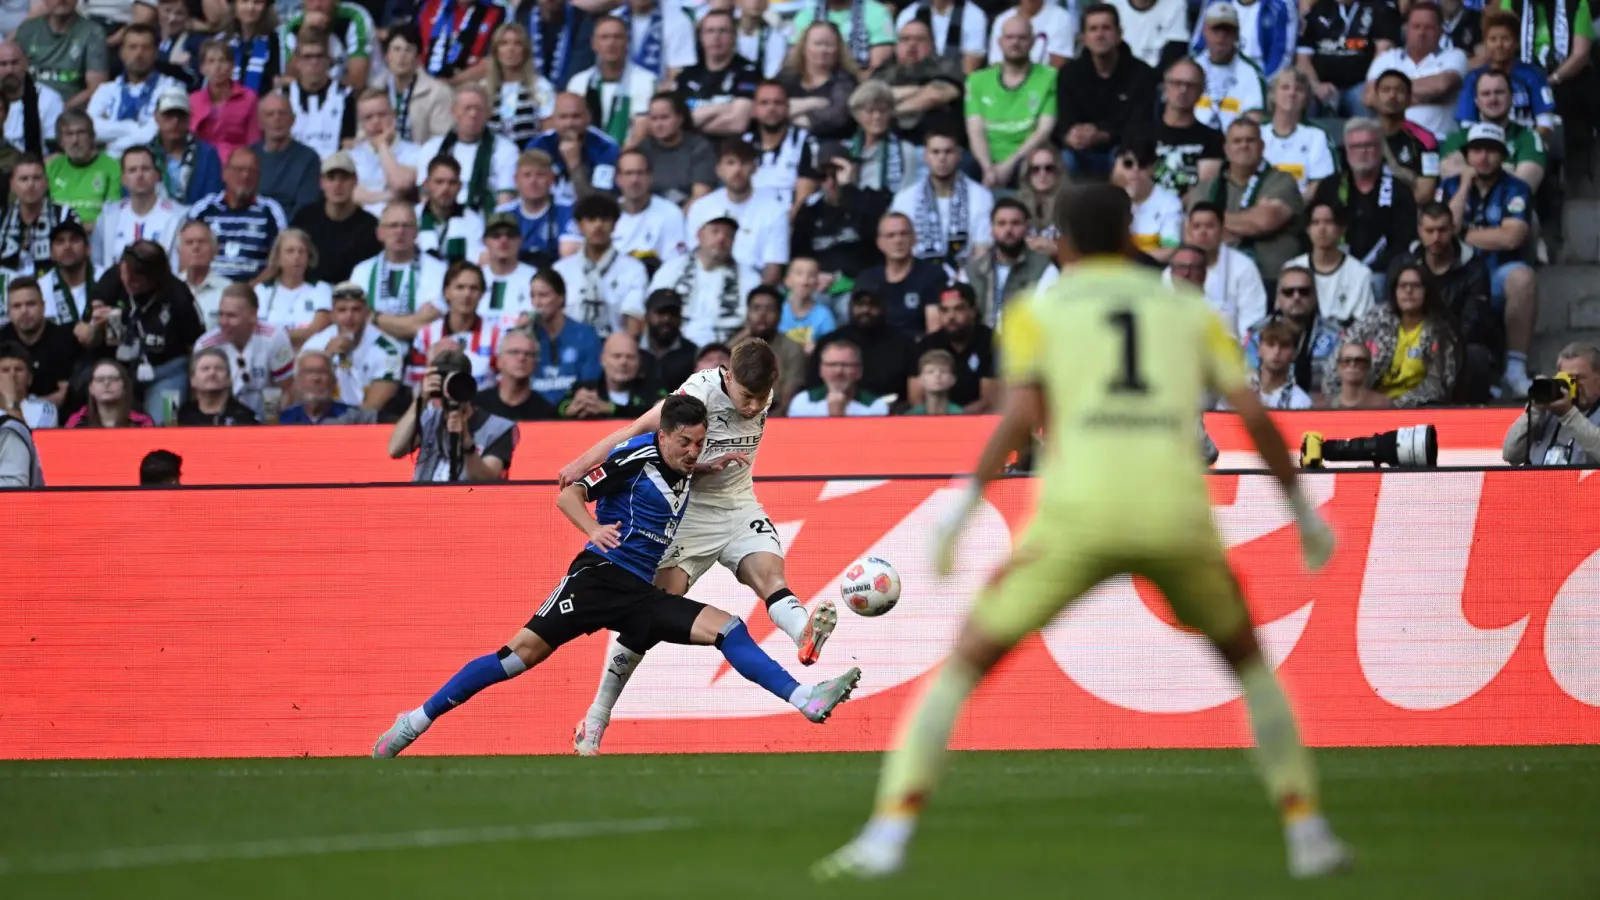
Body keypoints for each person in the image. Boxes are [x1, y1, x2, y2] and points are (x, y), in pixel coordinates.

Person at [812, 182, 1345, 884]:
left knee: (962, 669)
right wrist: (1303, 512)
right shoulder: (1187, 310)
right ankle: (1306, 828)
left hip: (1077, 518)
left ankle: (889, 833)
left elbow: (1016, 417)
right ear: (1133, 237)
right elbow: (1251, 416)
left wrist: (962, 506)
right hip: (1173, 515)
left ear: (1057, 242)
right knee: (1250, 666)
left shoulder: (1043, 310)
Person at [377, 391, 859, 757]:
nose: (693, 451)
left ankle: (805, 699)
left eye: (699, 443)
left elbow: (685, 471)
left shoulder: (686, 464)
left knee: (728, 627)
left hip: (639, 594)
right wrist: (593, 528)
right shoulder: (634, 456)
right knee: (516, 657)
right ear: (663, 435)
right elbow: (569, 493)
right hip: (596, 578)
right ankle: (416, 721)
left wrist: (710, 465)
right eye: (685, 443)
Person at [555, 340, 844, 753]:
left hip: (739, 505)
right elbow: (635, 430)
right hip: (688, 515)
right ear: (728, 377)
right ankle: (598, 715)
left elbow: (752, 401)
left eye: (761, 398)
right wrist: (581, 464)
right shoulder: (697, 393)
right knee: (648, 617)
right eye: (746, 396)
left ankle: (804, 632)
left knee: (769, 574)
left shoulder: (763, 391)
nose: (753, 406)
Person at [1439, 122, 1536, 397]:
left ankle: (1515, 369)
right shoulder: (1450, 186)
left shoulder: (1516, 187)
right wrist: (1466, 183)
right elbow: (1443, 230)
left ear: (1503, 155)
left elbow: (1512, 237)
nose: (1483, 156)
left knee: (1522, 277)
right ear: (1467, 155)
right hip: (1456, 272)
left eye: (1491, 150)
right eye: (1477, 150)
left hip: (1497, 273)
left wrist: (1465, 233)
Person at [85, 240, 203, 421]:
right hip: (119, 373)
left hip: (166, 372)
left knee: (165, 426)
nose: (129, 281)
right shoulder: (112, 278)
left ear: (156, 276)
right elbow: (81, 332)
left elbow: (195, 345)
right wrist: (94, 325)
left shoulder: (178, 295)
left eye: (138, 278)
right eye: (125, 273)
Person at [1394, 201, 1501, 401]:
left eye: (1442, 230)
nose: (1436, 237)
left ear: (1453, 229)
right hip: (1409, 339)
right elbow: (1392, 313)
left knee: (1475, 355)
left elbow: (1473, 323)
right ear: (1420, 231)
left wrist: (1434, 343)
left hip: (1456, 342)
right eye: (1430, 230)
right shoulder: (1403, 264)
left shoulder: (1474, 269)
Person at [1189, 116, 1305, 283]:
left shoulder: (1282, 180)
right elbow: (1192, 233)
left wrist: (1214, 224)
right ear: (1226, 149)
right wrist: (1248, 219)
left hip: (1273, 281)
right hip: (1217, 280)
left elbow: (1263, 222)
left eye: (1250, 140)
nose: (1243, 146)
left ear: (1262, 146)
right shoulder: (1207, 188)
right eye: (1237, 141)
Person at [1330, 261, 1461, 406]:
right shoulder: (1375, 319)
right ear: (1394, 291)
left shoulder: (1439, 331)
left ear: (1426, 292)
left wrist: (1395, 405)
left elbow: (1438, 386)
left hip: (1417, 409)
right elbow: (1340, 357)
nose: (1409, 291)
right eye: (1403, 286)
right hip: (1367, 404)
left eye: (1416, 286)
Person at [386, 346, 517, 484]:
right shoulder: (428, 418)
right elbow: (395, 450)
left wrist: (466, 441)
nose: (447, 386)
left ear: (467, 382)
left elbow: (487, 480)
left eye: (454, 380)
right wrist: (421, 399)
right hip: (423, 502)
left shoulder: (497, 429)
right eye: (441, 379)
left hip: (468, 502)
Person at [1054, 4, 1157, 178]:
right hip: (1079, 152)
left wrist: (1103, 135)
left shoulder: (1142, 74)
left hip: (1120, 149)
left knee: (1129, 158)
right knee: (1062, 159)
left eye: (1106, 28)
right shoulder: (1069, 73)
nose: (1100, 35)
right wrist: (1071, 136)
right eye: (1093, 29)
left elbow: (1140, 126)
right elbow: (1063, 121)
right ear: (1083, 38)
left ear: (1119, 35)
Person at [1311, 118, 1418, 278]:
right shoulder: (1330, 187)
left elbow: (1402, 242)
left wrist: (1365, 271)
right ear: (1346, 150)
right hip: (1335, 268)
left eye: (1369, 145)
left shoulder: (1398, 190)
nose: (1363, 151)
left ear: (1380, 149)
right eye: (1356, 146)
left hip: (1381, 272)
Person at [965, 15, 1057, 186]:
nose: (1015, 43)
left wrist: (1008, 165)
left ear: (1032, 42)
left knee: (1037, 165)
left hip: (1027, 155)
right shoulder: (977, 80)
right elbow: (975, 131)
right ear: (1000, 42)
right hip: (985, 158)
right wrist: (988, 168)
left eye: (1022, 38)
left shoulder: (1050, 77)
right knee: (963, 165)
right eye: (1009, 37)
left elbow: (1043, 131)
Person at [686, 140, 789, 284]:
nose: (737, 170)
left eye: (744, 163)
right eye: (730, 163)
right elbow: (692, 257)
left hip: (754, 284)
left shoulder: (775, 210)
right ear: (718, 169)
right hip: (706, 281)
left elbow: (773, 270)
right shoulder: (701, 207)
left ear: (755, 167)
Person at [649, 215, 761, 346]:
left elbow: (752, 327)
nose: (721, 238)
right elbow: (651, 314)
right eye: (715, 231)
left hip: (726, 354)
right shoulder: (671, 270)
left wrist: (724, 353)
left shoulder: (750, 279)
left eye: (729, 235)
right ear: (699, 235)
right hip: (672, 349)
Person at [1363, 2, 1468, 140]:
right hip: (1392, 141)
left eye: (1428, 28)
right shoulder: (1388, 58)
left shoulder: (1455, 55)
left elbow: (1442, 85)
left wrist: (1391, 98)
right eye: (1416, 26)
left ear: (1441, 32)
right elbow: (1369, 97)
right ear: (1406, 29)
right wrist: (1431, 97)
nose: (1421, 33)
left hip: (1439, 140)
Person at [890, 129, 993, 268]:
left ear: (959, 155)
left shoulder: (981, 196)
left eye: (948, 152)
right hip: (918, 277)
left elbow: (982, 249)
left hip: (966, 276)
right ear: (926, 156)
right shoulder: (905, 199)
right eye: (935, 152)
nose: (941, 158)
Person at [1122, 58, 1225, 195]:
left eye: (1190, 85)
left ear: (1202, 91)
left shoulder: (1213, 139)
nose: (1183, 90)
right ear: (1165, 86)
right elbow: (1120, 178)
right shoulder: (1139, 132)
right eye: (1177, 83)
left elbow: (1204, 191)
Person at [552, 194, 650, 337]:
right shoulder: (560, 270)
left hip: (614, 349)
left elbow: (633, 323)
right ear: (580, 226)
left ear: (615, 225)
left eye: (605, 220)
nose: (598, 225)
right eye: (591, 220)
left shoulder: (633, 269)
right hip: (568, 350)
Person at [300, 281, 404, 411]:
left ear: (367, 313)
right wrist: (327, 357)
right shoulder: (314, 346)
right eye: (342, 310)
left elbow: (372, 407)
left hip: (367, 423)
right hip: (322, 420)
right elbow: (301, 398)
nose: (349, 316)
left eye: (356, 309)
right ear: (332, 315)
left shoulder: (388, 349)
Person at [187, 147, 288, 283]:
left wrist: (249, 290)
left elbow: (279, 261)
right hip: (208, 290)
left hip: (254, 293)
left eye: (251, 171)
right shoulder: (204, 209)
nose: (245, 176)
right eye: (239, 170)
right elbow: (185, 254)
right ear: (224, 173)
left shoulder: (270, 211)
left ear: (259, 177)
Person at [195, 281, 296, 415]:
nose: (224, 322)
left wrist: (270, 425)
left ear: (253, 315)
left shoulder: (274, 337)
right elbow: (200, 394)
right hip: (220, 419)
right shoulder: (206, 345)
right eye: (221, 314)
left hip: (265, 418)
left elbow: (286, 389)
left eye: (231, 316)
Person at [1169, 200, 1266, 337]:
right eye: (1196, 227)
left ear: (1222, 230)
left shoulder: (1244, 267)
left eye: (1210, 226)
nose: (1203, 232)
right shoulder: (1173, 271)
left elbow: (1253, 322)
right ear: (1189, 231)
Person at [416, 85, 520, 214]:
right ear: (454, 112)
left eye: (478, 108)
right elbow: (425, 196)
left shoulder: (505, 149)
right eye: (467, 108)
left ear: (488, 113)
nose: (473, 114)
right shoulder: (432, 149)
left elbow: (506, 199)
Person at [348, 202, 450, 332]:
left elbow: (429, 325)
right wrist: (413, 323)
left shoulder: (438, 270)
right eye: (393, 225)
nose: (400, 231)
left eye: (406, 225)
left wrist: (375, 318)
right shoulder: (362, 271)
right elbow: (356, 319)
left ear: (416, 232)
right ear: (380, 233)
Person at [1440, 68, 1547, 193]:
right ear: (1476, 101)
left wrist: (1469, 173)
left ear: (1512, 98)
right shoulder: (1457, 138)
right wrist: (1504, 171)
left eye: (1499, 92)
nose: (1493, 99)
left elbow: (1522, 189)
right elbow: (1451, 183)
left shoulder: (1529, 137)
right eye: (1486, 94)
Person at [793, 148, 888, 288]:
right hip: (819, 285)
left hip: (860, 285)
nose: (831, 182)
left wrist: (848, 188)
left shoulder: (871, 200)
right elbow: (799, 255)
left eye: (836, 173)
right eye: (824, 176)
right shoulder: (810, 210)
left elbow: (871, 236)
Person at [1244, 267, 1344, 395]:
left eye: (1304, 291)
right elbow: (1248, 380)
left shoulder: (1335, 335)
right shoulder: (1257, 334)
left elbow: (1341, 383)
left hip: (1320, 409)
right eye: (1288, 292)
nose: (1296, 297)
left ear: (1315, 296)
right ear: (1278, 297)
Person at [85, 23, 182, 155]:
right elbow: (89, 129)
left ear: (155, 53)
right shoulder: (106, 90)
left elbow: (152, 135)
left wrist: (112, 139)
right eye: (132, 47)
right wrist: (131, 127)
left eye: (145, 48)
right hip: (111, 167)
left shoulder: (170, 88)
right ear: (122, 53)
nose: (138, 53)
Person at [289, 151, 382, 285]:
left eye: (344, 178)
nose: (338, 185)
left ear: (355, 181)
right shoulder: (305, 218)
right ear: (322, 183)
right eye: (331, 178)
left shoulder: (370, 226)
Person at [409, 260, 504, 390]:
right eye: (460, 287)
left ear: (482, 294)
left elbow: (503, 386)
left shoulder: (496, 336)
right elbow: (415, 386)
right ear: (446, 292)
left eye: (473, 288)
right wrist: (431, 363)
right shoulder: (426, 334)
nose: (467, 294)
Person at [1458, 11, 1556, 137]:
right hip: (1485, 147)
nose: (1499, 45)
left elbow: (1546, 124)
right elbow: (1467, 125)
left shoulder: (1534, 75)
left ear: (1516, 43)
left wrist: (1523, 146)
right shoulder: (1473, 79)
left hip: (1526, 147)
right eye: (1493, 39)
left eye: (1505, 39)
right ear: (1485, 44)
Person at [963, 199, 1059, 327]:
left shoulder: (1044, 269)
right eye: (1001, 224)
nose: (1008, 229)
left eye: (1015, 223)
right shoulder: (973, 270)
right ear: (992, 228)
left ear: (1027, 227)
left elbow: (1046, 318)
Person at [869, 20, 964, 147]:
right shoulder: (884, 70)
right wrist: (920, 90)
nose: (912, 44)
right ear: (897, 45)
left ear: (931, 45)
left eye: (920, 39)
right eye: (905, 39)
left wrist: (891, 111)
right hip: (888, 145)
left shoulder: (945, 66)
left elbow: (936, 94)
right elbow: (870, 96)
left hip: (932, 148)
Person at [1501, 342, 1600, 465]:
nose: (1571, 384)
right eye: (1565, 378)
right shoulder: (1549, 410)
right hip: (1539, 483)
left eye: (1577, 378)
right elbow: (1510, 455)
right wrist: (1534, 411)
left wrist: (1568, 414)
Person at [1296, 0, 1400, 116]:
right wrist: (1315, 85)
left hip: (1361, 84)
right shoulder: (1318, 9)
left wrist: (1371, 85)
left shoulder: (1381, 8)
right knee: (1302, 97)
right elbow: (1303, 58)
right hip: (1321, 83)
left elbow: (1383, 54)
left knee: (1365, 100)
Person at [565, 17, 655, 149]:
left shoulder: (645, 80)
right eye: (604, 37)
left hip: (629, 159)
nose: (611, 43)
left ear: (627, 42)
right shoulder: (579, 82)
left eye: (617, 37)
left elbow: (641, 131)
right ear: (593, 43)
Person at [811, 287, 919, 397]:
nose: (866, 310)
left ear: (883, 308)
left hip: (894, 409)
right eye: (860, 305)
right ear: (850, 307)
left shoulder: (904, 342)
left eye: (873, 305)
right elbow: (814, 384)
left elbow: (914, 388)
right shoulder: (830, 341)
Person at [92, 147, 187, 272]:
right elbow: (97, 264)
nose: (139, 175)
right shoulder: (108, 216)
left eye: (145, 169)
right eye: (132, 170)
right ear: (123, 179)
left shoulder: (177, 216)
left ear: (157, 175)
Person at [1284, 198, 1377, 325]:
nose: (1322, 229)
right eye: (1315, 223)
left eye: (1329, 222)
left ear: (1342, 229)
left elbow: (1365, 324)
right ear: (1308, 229)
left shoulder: (1360, 274)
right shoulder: (1291, 269)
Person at [906, 282, 996, 412]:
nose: (951, 316)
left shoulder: (991, 342)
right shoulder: (926, 345)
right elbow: (916, 398)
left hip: (979, 422)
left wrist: (955, 419)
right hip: (931, 420)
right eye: (945, 310)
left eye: (958, 309)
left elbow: (990, 401)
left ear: (973, 311)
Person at [676, 11, 760, 139]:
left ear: (734, 36)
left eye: (723, 31)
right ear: (701, 37)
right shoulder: (687, 74)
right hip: (691, 153)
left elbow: (737, 123)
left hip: (731, 151)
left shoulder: (749, 72)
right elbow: (675, 122)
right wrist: (720, 108)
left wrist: (689, 126)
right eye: (710, 31)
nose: (716, 37)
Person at [528, 91, 621, 205]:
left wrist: (574, 165)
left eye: (575, 116)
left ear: (588, 117)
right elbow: (528, 192)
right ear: (553, 120)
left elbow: (599, 204)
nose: (569, 123)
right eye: (563, 117)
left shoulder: (605, 147)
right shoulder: (538, 145)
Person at [743, 81, 821, 211]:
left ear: (787, 107)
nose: (771, 108)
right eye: (764, 103)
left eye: (778, 103)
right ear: (754, 110)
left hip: (787, 221)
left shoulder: (804, 142)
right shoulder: (743, 144)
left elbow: (804, 200)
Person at [371, 26, 456, 146]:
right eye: (397, 49)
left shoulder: (438, 92)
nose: (402, 56)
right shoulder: (376, 89)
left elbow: (441, 141)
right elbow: (364, 132)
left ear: (417, 58)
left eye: (408, 50)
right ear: (387, 56)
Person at [527, 268, 602, 404]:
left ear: (561, 298)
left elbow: (590, 383)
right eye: (533, 296)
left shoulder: (585, 335)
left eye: (543, 295)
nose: (537, 303)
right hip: (534, 413)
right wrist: (521, 332)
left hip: (573, 412)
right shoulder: (527, 336)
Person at [780, 21, 862, 145]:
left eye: (829, 45)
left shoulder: (846, 80)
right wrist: (812, 103)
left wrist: (788, 116)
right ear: (804, 47)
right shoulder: (787, 76)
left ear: (838, 49)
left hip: (833, 145)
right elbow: (767, 106)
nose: (823, 50)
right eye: (817, 44)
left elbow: (837, 118)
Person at [14, 0, 109, 107]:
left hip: (70, 112)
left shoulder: (93, 32)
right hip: (27, 106)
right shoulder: (27, 30)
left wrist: (60, 110)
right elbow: (12, 75)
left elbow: (96, 87)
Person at [0, 278, 78, 407]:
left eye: (30, 304)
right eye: (17, 306)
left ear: (43, 306)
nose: (24, 311)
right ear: (8, 311)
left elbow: (63, 396)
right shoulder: (2, 339)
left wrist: (24, 406)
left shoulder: (64, 340)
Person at [1261, 69, 1337, 199]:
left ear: (1306, 98)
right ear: (1273, 95)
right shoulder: (1258, 132)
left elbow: (1320, 181)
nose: (1292, 93)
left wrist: (1296, 207)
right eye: (1285, 87)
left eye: (1299, 89)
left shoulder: (1318, 135)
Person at [1369, 69, 1442, 204]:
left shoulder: (1426, 140)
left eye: (1399, 91)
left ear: (1409, 99)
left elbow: (1426, 191)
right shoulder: (1362, 136)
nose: (1392, 96)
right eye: (1386, 90)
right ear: (1375, 98)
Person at [282, 32, 356, 163]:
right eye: (308, 57)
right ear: (297, 62)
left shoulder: (346, 96)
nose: (314, 62)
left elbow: (349, 143)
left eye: (319, 56)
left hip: (333, 170)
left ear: (329, 60)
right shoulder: (283, 96)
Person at [1191, 4, 1267, 131]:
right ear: (1205, 31)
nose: (1221, 36)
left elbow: (1255, 117)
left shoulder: (1251, 72)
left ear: (1237, 34)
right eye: (1216, 29)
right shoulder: (1191, 68)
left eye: (1228, 30)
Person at [482, 22, 557, 147]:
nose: (510, 49)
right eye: (504, 43)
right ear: (496, 51)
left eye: (517, 43)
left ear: (525, 50)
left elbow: (548, 133)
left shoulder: (541, 87)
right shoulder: (483, 88)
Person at [0, 155, 78, 275]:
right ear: (12, 185)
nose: (30, 184)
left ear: (46, 183)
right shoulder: (2, 217)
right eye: (24, 179)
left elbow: (77, 258)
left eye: (36, 178)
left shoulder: (65, 215)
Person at [612, 149, 689, 271]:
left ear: (650, 177)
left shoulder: (670, 213)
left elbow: (675, 264)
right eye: (628, 173)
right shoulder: (607, 215)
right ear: (618, 179)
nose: (634, 180)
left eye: (640, 173)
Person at [349, 89, 423, 215]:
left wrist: (382, 145)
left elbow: (399, 184)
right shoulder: (351, 157)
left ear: (393, 116)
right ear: (361, 123)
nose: (376, 121)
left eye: (382, 115)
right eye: (368, 117)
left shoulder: (416, 152)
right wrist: (389, 196)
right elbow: (350, 196)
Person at [732, 284, 806, 410]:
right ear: (748, 313)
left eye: (769, 309)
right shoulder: (734, 346)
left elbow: (787, 401)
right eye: (756, 308)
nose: (762, 314)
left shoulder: (793, 348)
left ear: (780, 315)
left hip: (775, 415)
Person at [639, 93, 717, 209]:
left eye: (665, 117)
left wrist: (675, 221)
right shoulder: (643, 149)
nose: (659, 124)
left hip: (687, 214)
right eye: (654, 119)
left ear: (680, 118)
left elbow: (700, 196)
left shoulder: (699, 147)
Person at [252, 93, 323, 220]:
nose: (276, 119)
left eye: (282, 113)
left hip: (291, 232)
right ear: (260, 123)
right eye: (270, 114)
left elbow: (306, 209)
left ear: (293, 119)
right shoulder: (248, 157)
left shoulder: (309, 158)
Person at [190, 39, 262, 163]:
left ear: (232, 66)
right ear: (202, 68)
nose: (217, 67)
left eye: (222, 60)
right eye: (211, 61)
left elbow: (254, 142)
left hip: (236, 164)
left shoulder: (249, 98)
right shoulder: (193, 100)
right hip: (200, 164)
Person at [255, 228, 332, 345]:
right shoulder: (263, 290)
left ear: (308, 257)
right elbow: (258, 332)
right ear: (278, 258)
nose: (297, 256)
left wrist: (277, 334)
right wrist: (298, 334)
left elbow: (318, 330)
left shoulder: (321, 289)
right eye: (290, 251)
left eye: (302, 251)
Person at [1112, 139, 1183, 263]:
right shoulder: (1111, 199)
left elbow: (1169, 250)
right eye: (1128, 164)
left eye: (1142, 164)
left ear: (1152, 168)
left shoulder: (1170, 203)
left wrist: (1129, 261)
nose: (1135, 170)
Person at [559, 331, 659, 418]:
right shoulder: (584, 388)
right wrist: (570, 410)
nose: (623, 362)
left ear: (639, 362)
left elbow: (656, 415)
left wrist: (610, 408)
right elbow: (555, 409)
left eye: (630, 357)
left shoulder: (653, 390)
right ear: (603, 360)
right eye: (616, 356)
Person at [150, 87, 224, 205]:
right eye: (168, 115)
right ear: (156, 117)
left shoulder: (208, 155)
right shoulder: (144, 155)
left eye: (181, 115)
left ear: (190, 118)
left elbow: (213, 197)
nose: (175, 121)